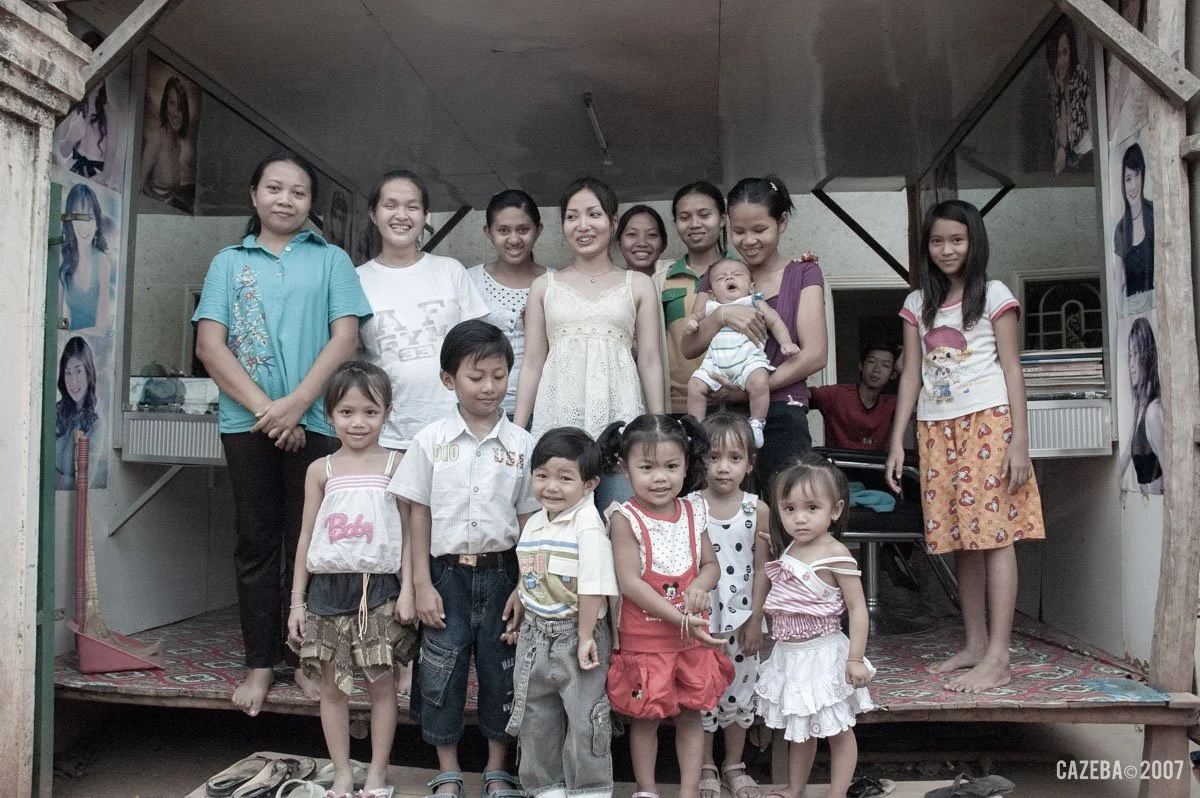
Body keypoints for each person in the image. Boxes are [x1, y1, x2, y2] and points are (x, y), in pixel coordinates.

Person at [193, 151, 372, 716]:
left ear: (310, 203)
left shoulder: (332, 260)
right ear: (254, 195)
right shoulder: (227, 263)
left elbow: (345, 340)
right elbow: (209, 346)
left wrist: (296, 407)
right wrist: (271, 413)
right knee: (256, 542)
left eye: (298, 192)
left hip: (317, 422)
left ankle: (306, 659)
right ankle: (260, 662)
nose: (285, 200)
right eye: (274, 188)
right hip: (247, 426)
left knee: (311, 544)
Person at [885, 199, 1045, 694]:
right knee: (959, 538)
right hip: (936, 429)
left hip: (988, 424)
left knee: (995, 536)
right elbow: (911, 375)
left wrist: (1020, 441)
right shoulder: (917, 304)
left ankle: (999, 656)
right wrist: (897, 440)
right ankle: (975, 644)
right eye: (937, 241)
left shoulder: (994, 294)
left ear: (974, 242)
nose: (947, 249)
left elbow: (1013, 368)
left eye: (957, 239)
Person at [388, 320, 539, 798]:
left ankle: (497, 770)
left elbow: (531, 522)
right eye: (476, 377)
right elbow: (418, 514)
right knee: (441, 672)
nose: (489, 387)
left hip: (503, 575)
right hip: (445, 576)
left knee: (502, 671)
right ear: (448, 379)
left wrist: (524, 586)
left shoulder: (522, 446)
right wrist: (420, 584)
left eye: (499, 375)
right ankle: (448, 771)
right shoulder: (430, 441)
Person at [287, 361, 417, 798]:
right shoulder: (320, 470)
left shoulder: (398, 465)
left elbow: (410, 537)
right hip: (326, 591)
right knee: (332, 688)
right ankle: (342, 773)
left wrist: (408, 591)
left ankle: (377, 773)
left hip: (378, 590)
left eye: (370, 412)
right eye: (346, 412)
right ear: (329, 415)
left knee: (381, 686)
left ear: (387, 413)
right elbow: (306, 537)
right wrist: (297, 602)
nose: (358, 422)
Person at [602, 415, 734, 798]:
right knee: (645, 718)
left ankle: (688, 790)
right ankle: (646, 789)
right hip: (645, 639)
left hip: (691, 640)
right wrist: (680, 617)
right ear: (625, 469)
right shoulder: (624, 518)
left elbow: (711, 566)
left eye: (671, 466)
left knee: (691, 713)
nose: (660, 478)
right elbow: (630, 582)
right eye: (647, 468)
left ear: (686, 465)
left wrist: (700, 585)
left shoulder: (694, 511)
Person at [514, 177, 666, 507]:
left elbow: (650, 360)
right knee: (560, 526)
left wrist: (658, 427)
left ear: (613, 221)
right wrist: (517, 430)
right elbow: (533, 362)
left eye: (593, 214)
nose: (582, 225)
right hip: (558, 419)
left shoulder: (638, 284)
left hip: (620, 420)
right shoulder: (544, 286)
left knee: (622, 519)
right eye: (572, 216)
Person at [681, 176, 827, 488]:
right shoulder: (719, 274)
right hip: (722, 415)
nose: (748, 240)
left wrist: (751, 390)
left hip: (782, 411)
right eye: (739, 231)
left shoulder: (804, 272)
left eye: (759, 229)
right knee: (720, 510)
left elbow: (815, 354)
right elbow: (689, 346)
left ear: (782, 222)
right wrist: (721, 315)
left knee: (786, 504)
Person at [506, 427, 619, 798]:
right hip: (535, 634)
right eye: (542, 476)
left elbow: (592, 585)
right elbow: (532, 569)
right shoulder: (537, 521)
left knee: (585, 716)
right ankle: (546, 788)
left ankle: (589, 789)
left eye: (565, 478)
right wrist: (521, 597)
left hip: (575, 634)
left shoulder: (587, 525)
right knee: (536, 715)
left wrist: (586, 636)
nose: (551, 487)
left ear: (589, 485)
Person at [756, 453, 874, 798]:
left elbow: (858, 608)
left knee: (838, 730)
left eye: (811, 508)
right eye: (789, 509)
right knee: (800, 729)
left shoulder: (836, 553)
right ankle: (795, 787)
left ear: (835, 510)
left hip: (823, 656)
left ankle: (837, 793)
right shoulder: (792, 546)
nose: (800, 518)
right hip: (791, 656)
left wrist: (855, 658)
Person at [358, 170, 489, 451]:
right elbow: (350, 357)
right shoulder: (356, 280)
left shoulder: (450, 270)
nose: (401, 215)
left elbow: (481, 350)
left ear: (425, 214)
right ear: (373, 214)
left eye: (412, 207)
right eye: (390, 205)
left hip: (458, 431)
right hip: (388, 435)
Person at [696, 412, 768, 798]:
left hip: (742, 619)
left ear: (749, 463)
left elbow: (763, 568)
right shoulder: (690, 507)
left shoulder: (757, 510)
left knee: (740, 688)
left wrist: (756, 619)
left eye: (734, 458)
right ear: (701, 461)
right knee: (703, 689)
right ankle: (705, 764)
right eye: (714, 457)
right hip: (700, 619)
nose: (723, 467)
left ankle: (733, 764)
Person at [684, 258, 799, 445]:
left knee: (760, 381)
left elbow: (775, 322)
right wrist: (691, 323)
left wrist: (785, 342)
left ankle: (757, 423)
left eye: (737, 275)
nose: (729, 277)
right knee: (694, 385)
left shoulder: (754, 302)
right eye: (721, 278)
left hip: (747, 362)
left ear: (752, 287)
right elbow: (694, 317)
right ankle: (696, 429)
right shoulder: (712, 307)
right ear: (712, 294)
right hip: (715, 364)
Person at [467, 190, 546, 417]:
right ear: (488, 232)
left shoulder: (555, 281)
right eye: (503, 230)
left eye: (523, 229)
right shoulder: (470, 280)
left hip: (543, 407)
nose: (514, 239)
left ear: (538, 230)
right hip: (482, 406)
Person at [660, 182, 730, 415]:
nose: (694, 224)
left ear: (722, 219)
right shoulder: (662, 278)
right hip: (676, 405)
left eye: (704, 215)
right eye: (684, 217)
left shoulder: (743, 272)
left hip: (732, 402)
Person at [808, 344, 898, 452]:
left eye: (885, 365)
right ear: (861, 365)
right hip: (837, 461)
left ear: (893, 374)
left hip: (875, 462)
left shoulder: (891, 404)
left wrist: (904, 368)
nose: (876, 369)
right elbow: (802, 395)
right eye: (871, 361)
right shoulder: (837, 394)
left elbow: (916, 402)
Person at [59, 182, 114, 336]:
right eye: (78, 216)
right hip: (72, 343)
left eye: (89, 217)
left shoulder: (102, 262)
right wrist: (63, 333)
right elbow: (60, 318)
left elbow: (101, 328)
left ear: (97, 224)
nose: (84, 226)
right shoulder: (65, 261)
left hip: (97, 345)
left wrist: (69, 335)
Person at [1118, 317, 1163, 496]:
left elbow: (1171, 470)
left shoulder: (1152, 412)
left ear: (1147, 356)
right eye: (1130, 355)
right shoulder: (1140, 408)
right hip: (1146, 503)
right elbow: (1127, 451)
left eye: (1136, 354)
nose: (1132, 364)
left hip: (1158, 502)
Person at [140, 75, 193, 211]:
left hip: (168, 213)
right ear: (165, 104)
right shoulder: (156, 138)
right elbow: (137, 188)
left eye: (180, 107)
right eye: (171, 103)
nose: (175, 113)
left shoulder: (178, 143)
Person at [1114, 143, 1155, 314]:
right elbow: (1118, 283)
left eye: (1137, 175)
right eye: (1128, 179)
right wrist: (1121, 315)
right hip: (1133, 313)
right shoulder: (1121, 229)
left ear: (1143, 175)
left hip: (1158, 306)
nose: (1133, 186)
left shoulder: (1153, 214)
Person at [1047, 17, 1091, 174]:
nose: (1061, 61)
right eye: (1057, 55)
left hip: (1087, 154)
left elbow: (1093, 126)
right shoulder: (1057, 88)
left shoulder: (1081, 76)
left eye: (1065, 52)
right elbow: (1063, 139)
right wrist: (1061, 89)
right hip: (1074, 158)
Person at [55, 336, 100, 490]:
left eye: (78, 371)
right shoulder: (54, 413)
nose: (73, 381)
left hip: (74, 501)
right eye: (67, 373)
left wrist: (56, 478)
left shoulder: (96, 424)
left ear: (88, 373)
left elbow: (83, 483)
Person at [59, 83, 109, 179]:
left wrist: (98, 181)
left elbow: (109, 168)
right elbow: (63, 152)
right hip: (71, 170)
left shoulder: (109, 112)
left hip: (96, 178)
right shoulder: (73, 105)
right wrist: (71, 138)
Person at [617, 205, 667, 277]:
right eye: (632, 234)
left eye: (651, 235)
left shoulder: (674, 281)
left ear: (664, 243)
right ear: (618, 244)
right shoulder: (610, 283)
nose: (642, 243)